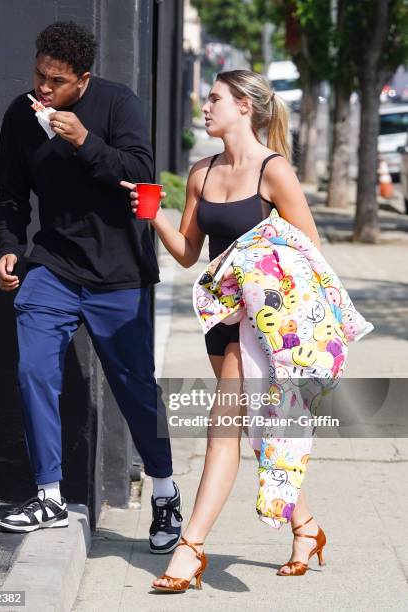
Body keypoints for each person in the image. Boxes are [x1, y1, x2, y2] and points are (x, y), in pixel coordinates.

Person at [122, 69, 326, 590]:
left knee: (223, 426)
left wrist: (264, 280)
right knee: (259, 429)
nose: (206, 107)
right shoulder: (202, 173)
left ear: (245, 108)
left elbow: (310, 250)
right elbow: (190, 254)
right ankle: (305, 527)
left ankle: (190, 550)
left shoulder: (273, 172)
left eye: (214, 99)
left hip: (262, 323)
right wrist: (154, 216)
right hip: (219, 318)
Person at [0, 21, 182, 553]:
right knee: (33, 369)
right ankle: (49, 494)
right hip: (53, 264)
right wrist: (11, 245)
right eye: (38, 75)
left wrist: (85, 143)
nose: (44, 89)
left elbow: (142, 172)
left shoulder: (119, 105)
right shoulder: (20, 114)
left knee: (134, 387)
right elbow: (10, 194)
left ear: (83, 79)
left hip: (118, 271)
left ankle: (165, 491)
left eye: (56, 80)